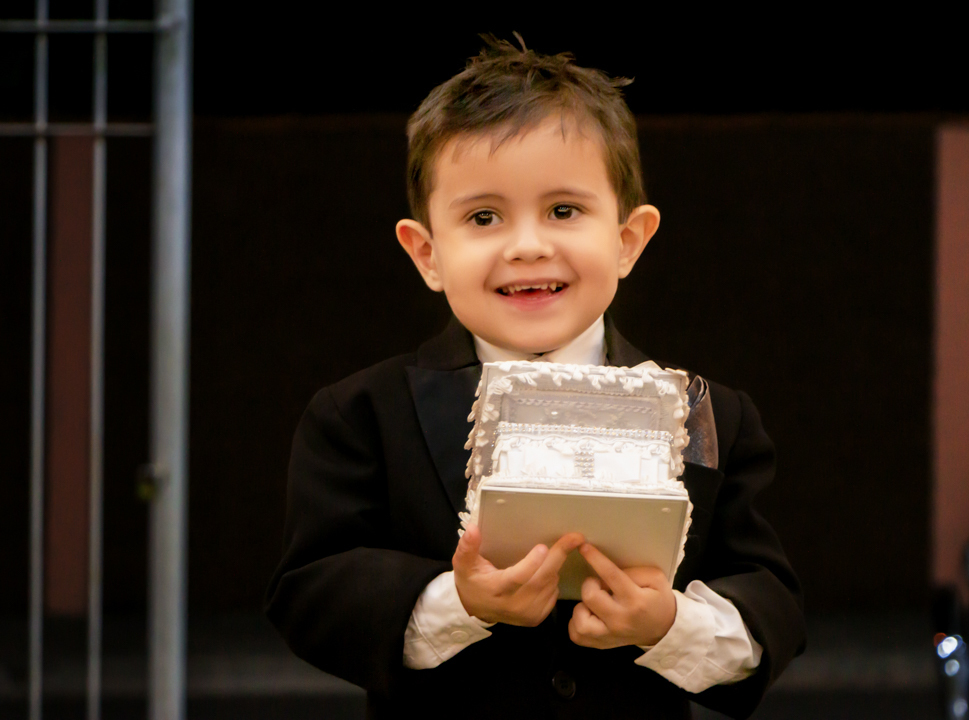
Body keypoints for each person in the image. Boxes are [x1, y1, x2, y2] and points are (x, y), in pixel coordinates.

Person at [265, 36, 805, 719]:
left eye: (564, 210)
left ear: (628, 239)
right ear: (426, 252)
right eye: (484, 217)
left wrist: (669, 624)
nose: (527, 245)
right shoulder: (358, 414)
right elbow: (309, 593)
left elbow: (772, 600)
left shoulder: (701, 412)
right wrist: (458, 604)